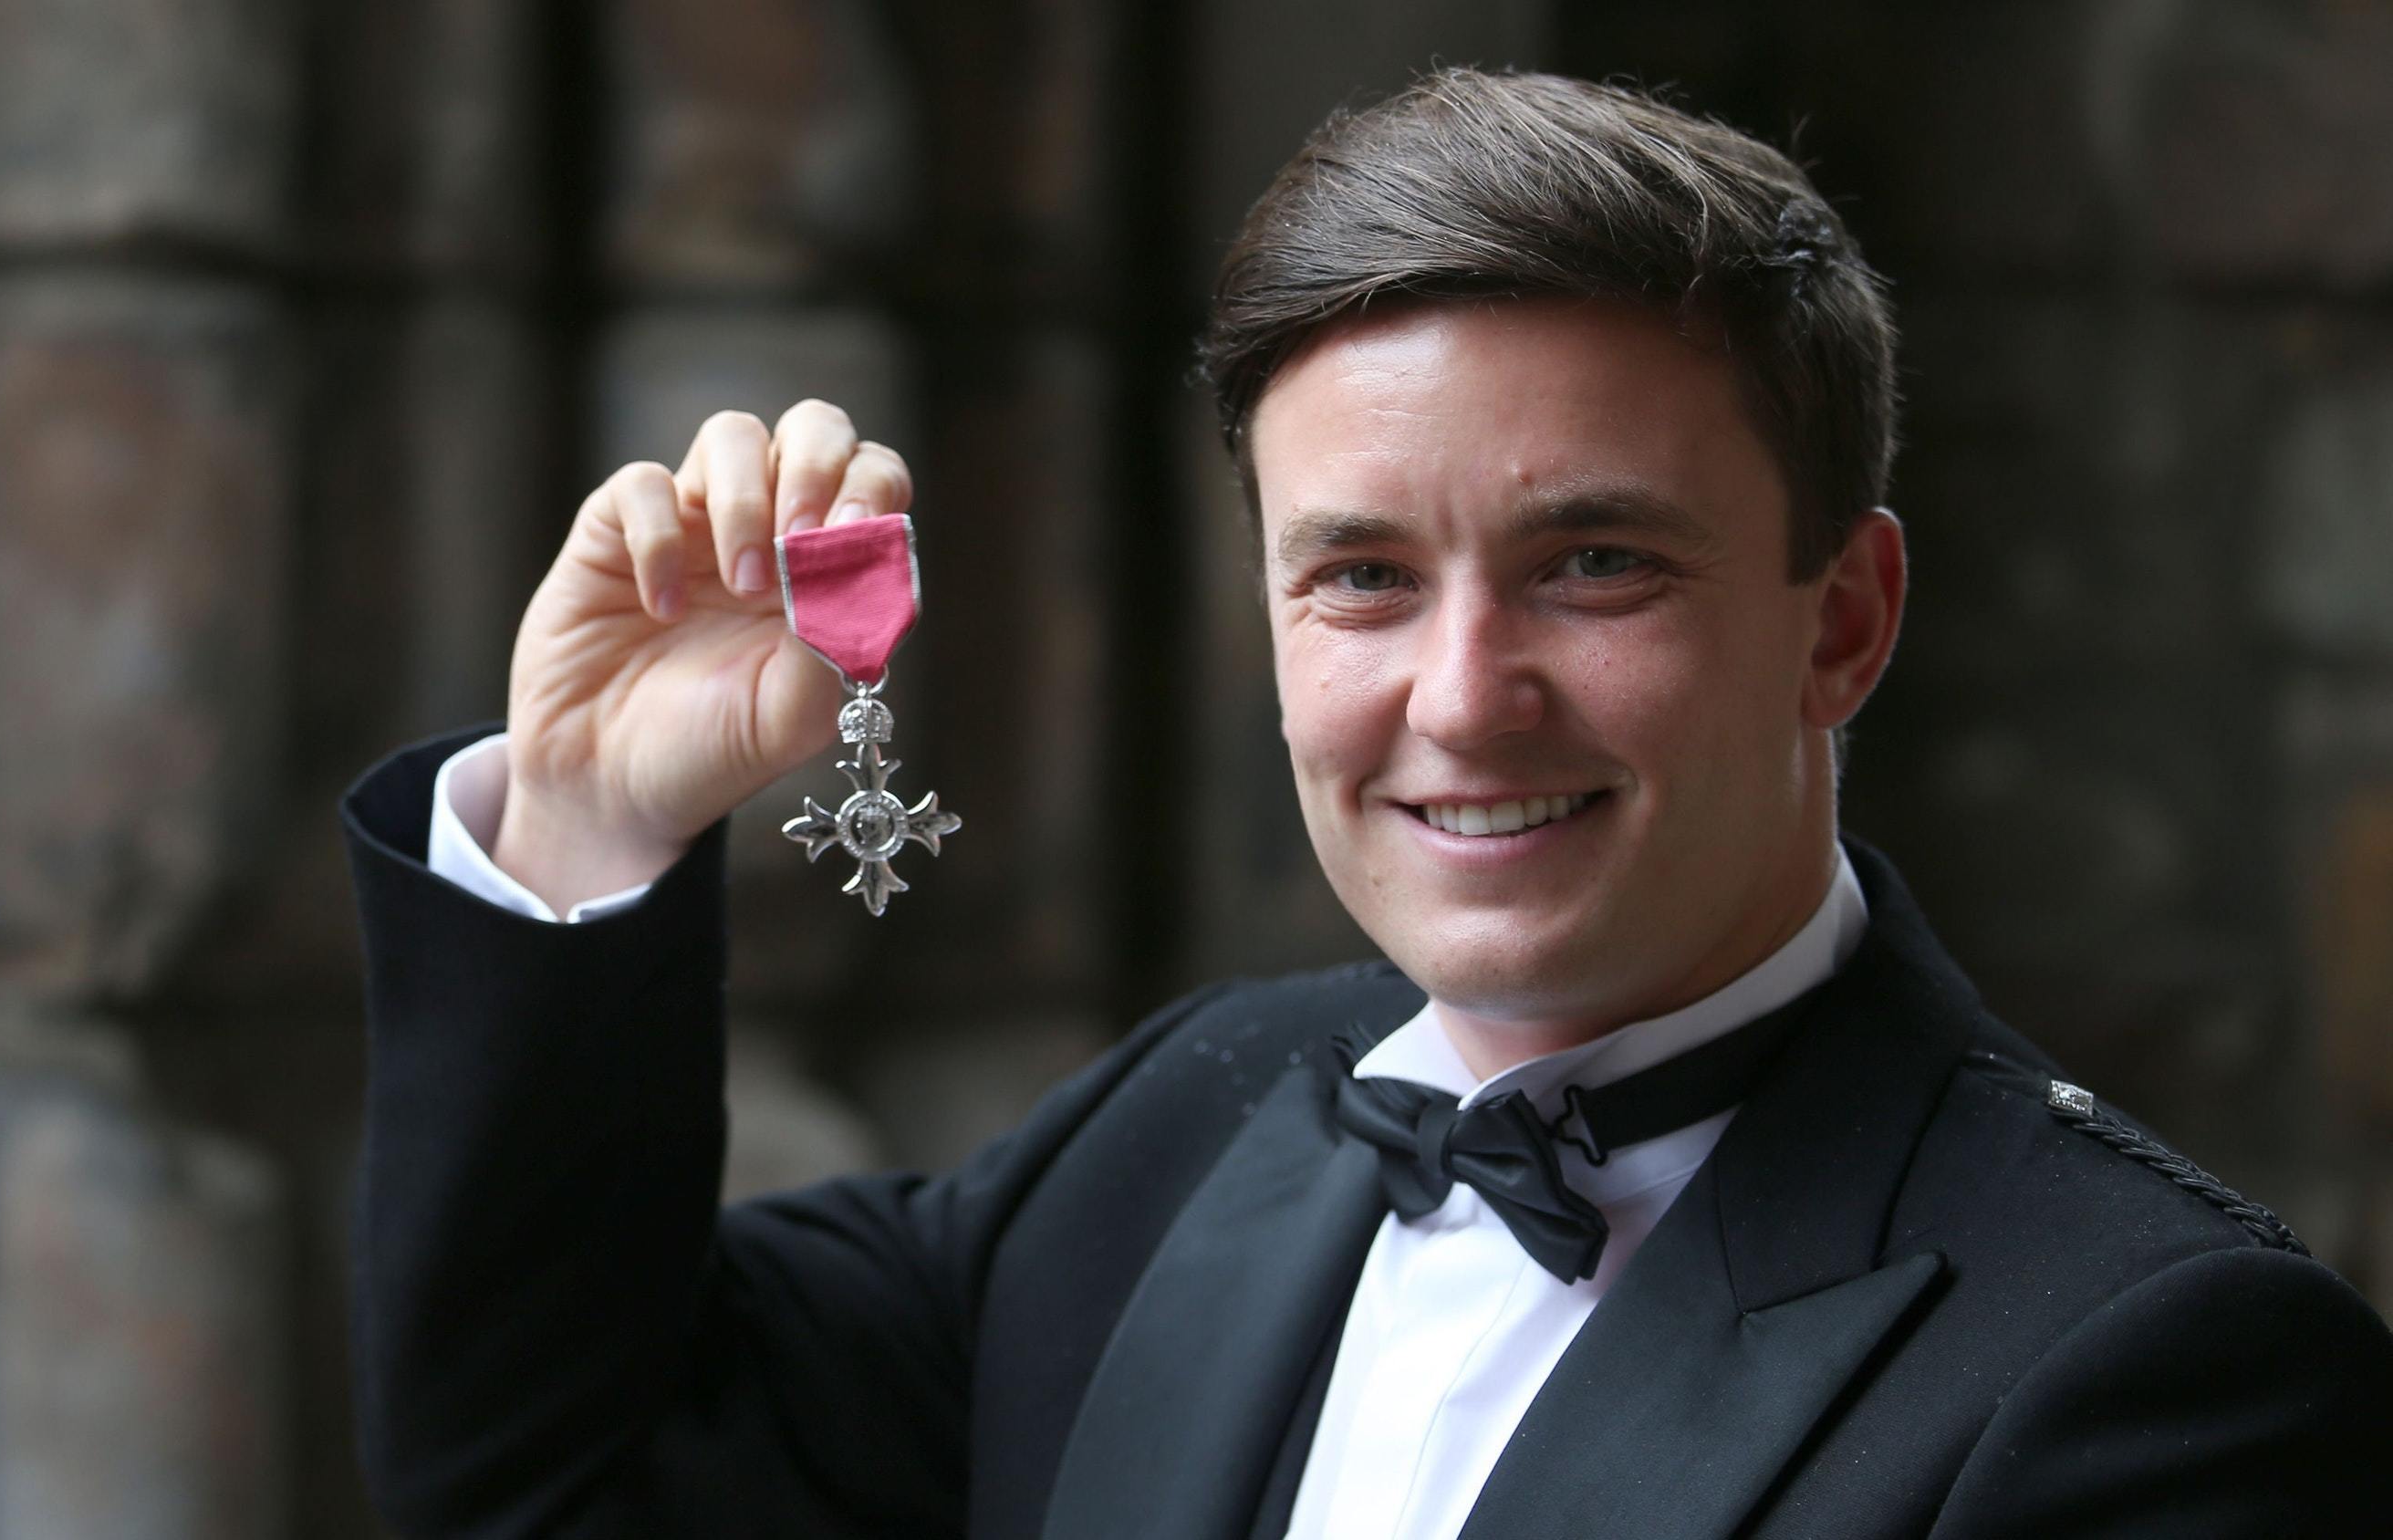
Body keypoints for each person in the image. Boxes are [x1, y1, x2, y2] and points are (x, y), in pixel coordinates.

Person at [339, 68, 2393, 1539]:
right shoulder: (1182, 1123)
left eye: (1599, 563)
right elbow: (548, 1475)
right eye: (1362, 576)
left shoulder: (2158, 1365)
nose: (1463, 697)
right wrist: (590, 828)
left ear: (1841, 619)